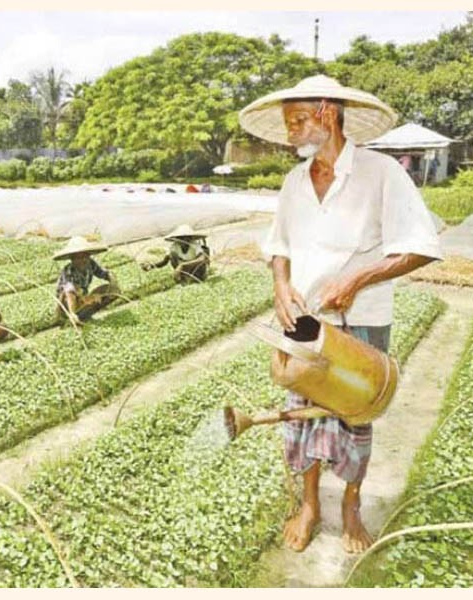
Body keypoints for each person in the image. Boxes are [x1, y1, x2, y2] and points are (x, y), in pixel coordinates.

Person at [239, 75, 442, 554]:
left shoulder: (381, 173)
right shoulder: (294, 182)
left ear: (328, 114)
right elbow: (279, 245)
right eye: (289, 123)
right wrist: (281, 284)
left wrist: (357, 279)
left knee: (355, 411)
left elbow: (423, 247)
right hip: (304, 319)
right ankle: (309, 504)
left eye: (298, 122)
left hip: (363, 319)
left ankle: (350, 504)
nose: (291, 133)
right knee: (299, 416)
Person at [53, 236, 120, 325]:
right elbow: (70, 293)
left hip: (82, 297)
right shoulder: (68, 271)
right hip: (68, 303)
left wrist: (112, 280)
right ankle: (73, 317)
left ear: (88, 255)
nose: (82, 260)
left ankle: (85, 315)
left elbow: (103, 273)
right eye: (78, 257)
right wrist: (72, 313)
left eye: (85, 256)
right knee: (72, 295)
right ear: (72, 259)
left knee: (111, 290)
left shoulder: (90, 264)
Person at [141, 224, 211, 284]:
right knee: (172, 256)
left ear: (189, 238)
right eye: (180, 238)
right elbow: (164, 261)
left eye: (185, 238)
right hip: (185, 271)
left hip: (198, 271)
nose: (182, 240)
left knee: (200, 263)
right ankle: (183, 278)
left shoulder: (194, 245)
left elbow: (203, 258)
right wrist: (151, 266)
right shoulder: (175, 247)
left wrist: (183, 265)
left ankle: (195, 278)